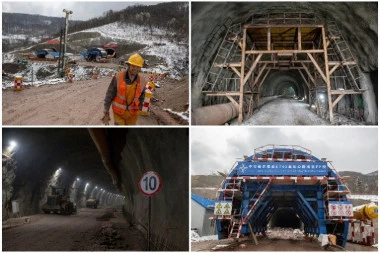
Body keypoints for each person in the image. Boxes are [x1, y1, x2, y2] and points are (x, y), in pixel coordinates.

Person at [102, 53, 146, 125]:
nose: (135, 68)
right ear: (128, 65)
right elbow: (110, 93)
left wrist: (140, 106)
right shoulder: (118, 76)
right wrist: (106, 108)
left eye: (138, 67)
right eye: (133, 66)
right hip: (118, 113)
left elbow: (142, 96)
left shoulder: (142, 80)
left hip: (133, 114)